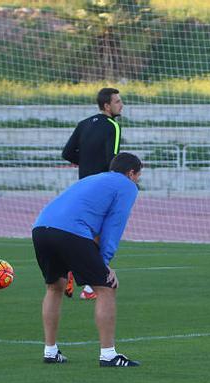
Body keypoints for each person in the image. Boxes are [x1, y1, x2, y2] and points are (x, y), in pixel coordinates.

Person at [32, 152, 142, 367]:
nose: (138, 180)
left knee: (55, 287)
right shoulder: (127, 186)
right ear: (131, 173)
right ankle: (109, 355)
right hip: (70, 231)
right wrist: (105, 263)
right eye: (138, 175)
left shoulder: (94, 178)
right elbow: (113, 227)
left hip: (41, 228)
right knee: (106, 287)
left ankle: (50, 351)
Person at [61, 87, 125, 300]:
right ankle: (90, 286)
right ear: (107, 106)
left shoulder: (84, 124)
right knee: (101, 235)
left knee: (85, 232)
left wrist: (86, 164)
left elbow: (67, 153)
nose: (121, 105)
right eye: (117, 101)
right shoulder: (112, 126)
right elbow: (113, 160)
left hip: (82, 187)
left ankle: (71, 270)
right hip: (101, 187)